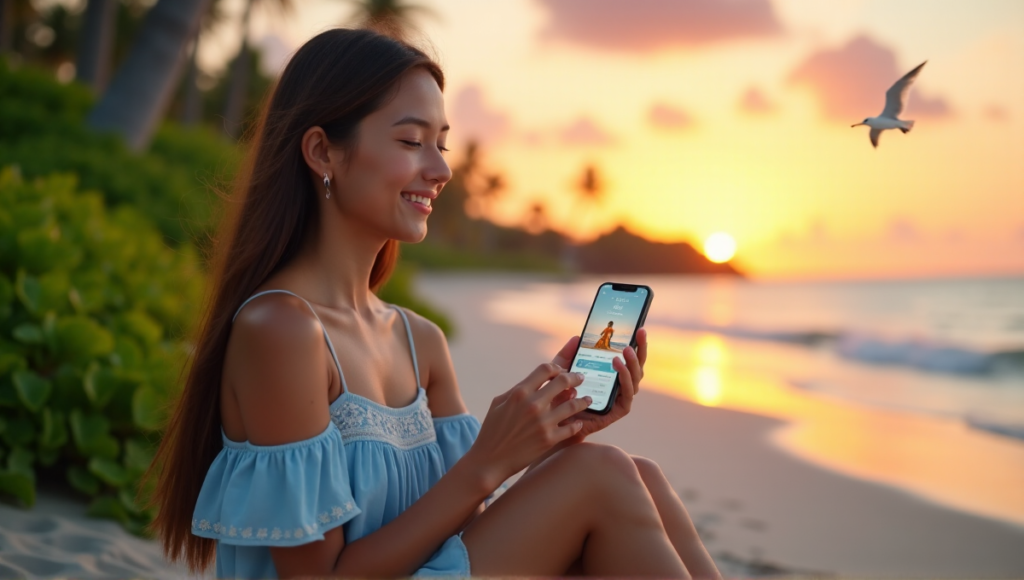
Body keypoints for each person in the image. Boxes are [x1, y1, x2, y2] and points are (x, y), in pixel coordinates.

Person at [146, 28, 720, 579]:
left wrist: (546, 438)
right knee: (605, 476)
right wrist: (486, 463)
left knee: (637, 476)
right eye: (410, 141)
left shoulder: (419, 340)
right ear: (322, 151)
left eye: (441, 143)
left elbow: (460, 535)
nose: (441, 169)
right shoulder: (281, 329)